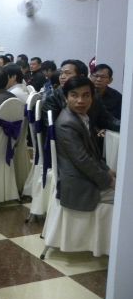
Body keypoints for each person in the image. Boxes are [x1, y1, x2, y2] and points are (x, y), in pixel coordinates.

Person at [55, 76, 115, 210]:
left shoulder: (82, 117)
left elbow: (92, 153)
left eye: (86, 95)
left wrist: (106, 170)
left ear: (92, 98)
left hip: (85, 176)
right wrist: (109, 181)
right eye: (74, 95)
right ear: (66, 98)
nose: (80, 100)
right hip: (79, 184)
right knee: (126, 196)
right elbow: (83, 160)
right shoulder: (67, 123)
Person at [42, 59, 119, 132]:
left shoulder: (93, 95)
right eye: (61, 73)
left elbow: (107, 120)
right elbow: (53, 129)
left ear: (81, 76)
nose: (62, 77)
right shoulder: (52, 98)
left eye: (67, 73)